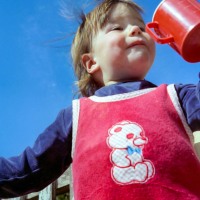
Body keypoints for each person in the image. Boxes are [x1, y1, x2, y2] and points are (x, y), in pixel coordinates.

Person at [0, 0, 200, 199]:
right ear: (91, 61)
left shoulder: (177, 97)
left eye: (140, 26)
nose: (135, 30)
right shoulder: (75, 116)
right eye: (117, 27)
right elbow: (26, 171)